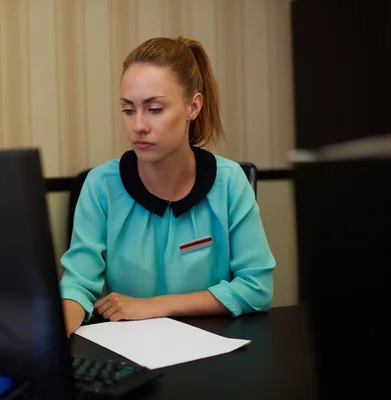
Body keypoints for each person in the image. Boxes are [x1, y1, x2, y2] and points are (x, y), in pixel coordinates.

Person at [59, 36, 276, 337]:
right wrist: (53, 336)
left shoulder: (229, 181)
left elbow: (256, 289)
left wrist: (154, 306)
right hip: (132, 358)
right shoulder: (101, 185)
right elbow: (78, 285)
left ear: (193, 106)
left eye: (155, 109)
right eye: (128, 110)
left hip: (213, 357)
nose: (138, 126)